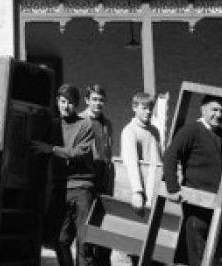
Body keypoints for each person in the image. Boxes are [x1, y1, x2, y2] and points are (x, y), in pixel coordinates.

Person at [162, 95, 222, 266]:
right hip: (197, 205)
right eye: (214, 109)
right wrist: (172, 187)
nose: (219, 114)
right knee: (197, 256)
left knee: (219, 258)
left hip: (219, 205)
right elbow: (170, 156)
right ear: (203, 109)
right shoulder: (191, 131)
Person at [32, 84, 95, 266]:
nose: (65, 106)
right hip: (60, 188)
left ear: (76, 105)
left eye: (70, 102)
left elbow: (78, 153)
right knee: (59, 240)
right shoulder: (53, 125)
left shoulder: (85, 125)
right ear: (57, 102)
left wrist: (52, 149)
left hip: (81, 188)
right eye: (62, 101)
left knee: (84, 244)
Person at [80, 84, 114, 266]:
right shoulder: (79, 120)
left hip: (104, 180)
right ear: (87, 100)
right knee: (86, 229)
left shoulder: (107, 123)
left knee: (103, 228)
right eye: (94, 99)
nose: (98, 103)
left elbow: (108, 153)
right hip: (86, 179)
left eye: (101, 100)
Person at [120, 91, 163, 211]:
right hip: (139, 193)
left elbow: (159, 160)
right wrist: (137, 192)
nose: (148, 112)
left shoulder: (155, 131)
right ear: (134, 108)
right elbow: (131, 162)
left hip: (154, 189)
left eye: (150, 108)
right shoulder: (130, 131)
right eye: (144, 108)